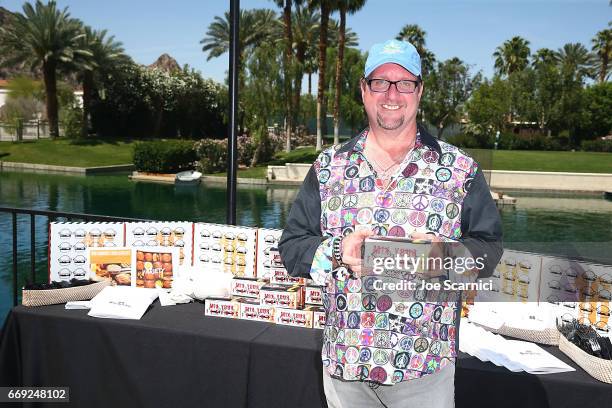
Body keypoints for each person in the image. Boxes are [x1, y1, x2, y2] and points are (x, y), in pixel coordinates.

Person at [279, 39, 503, 408]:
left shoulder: (459, 169)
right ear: (364, 90)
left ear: (420, 90)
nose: (392, 94)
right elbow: (292, 248)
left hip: (424, 370)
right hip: (345, 369)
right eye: (380, 82)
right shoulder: (328, 167)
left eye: (404, 83)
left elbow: (489, 248)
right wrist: (336, 250)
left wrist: (442, 257)